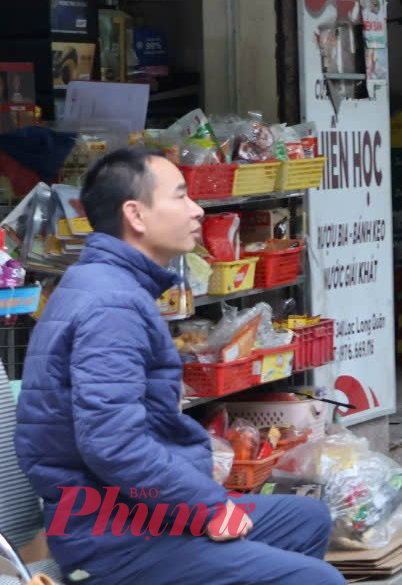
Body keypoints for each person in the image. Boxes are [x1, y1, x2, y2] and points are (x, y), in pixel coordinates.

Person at [15, 146, 344, 585]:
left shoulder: (108, 285)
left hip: (137, 510)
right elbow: (112, 443)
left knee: (307, 519)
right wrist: (205, 507)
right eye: (180, 196)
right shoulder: (111, 304)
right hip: (112, 531)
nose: (197, 210)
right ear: (135, 214)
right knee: (317, 580)